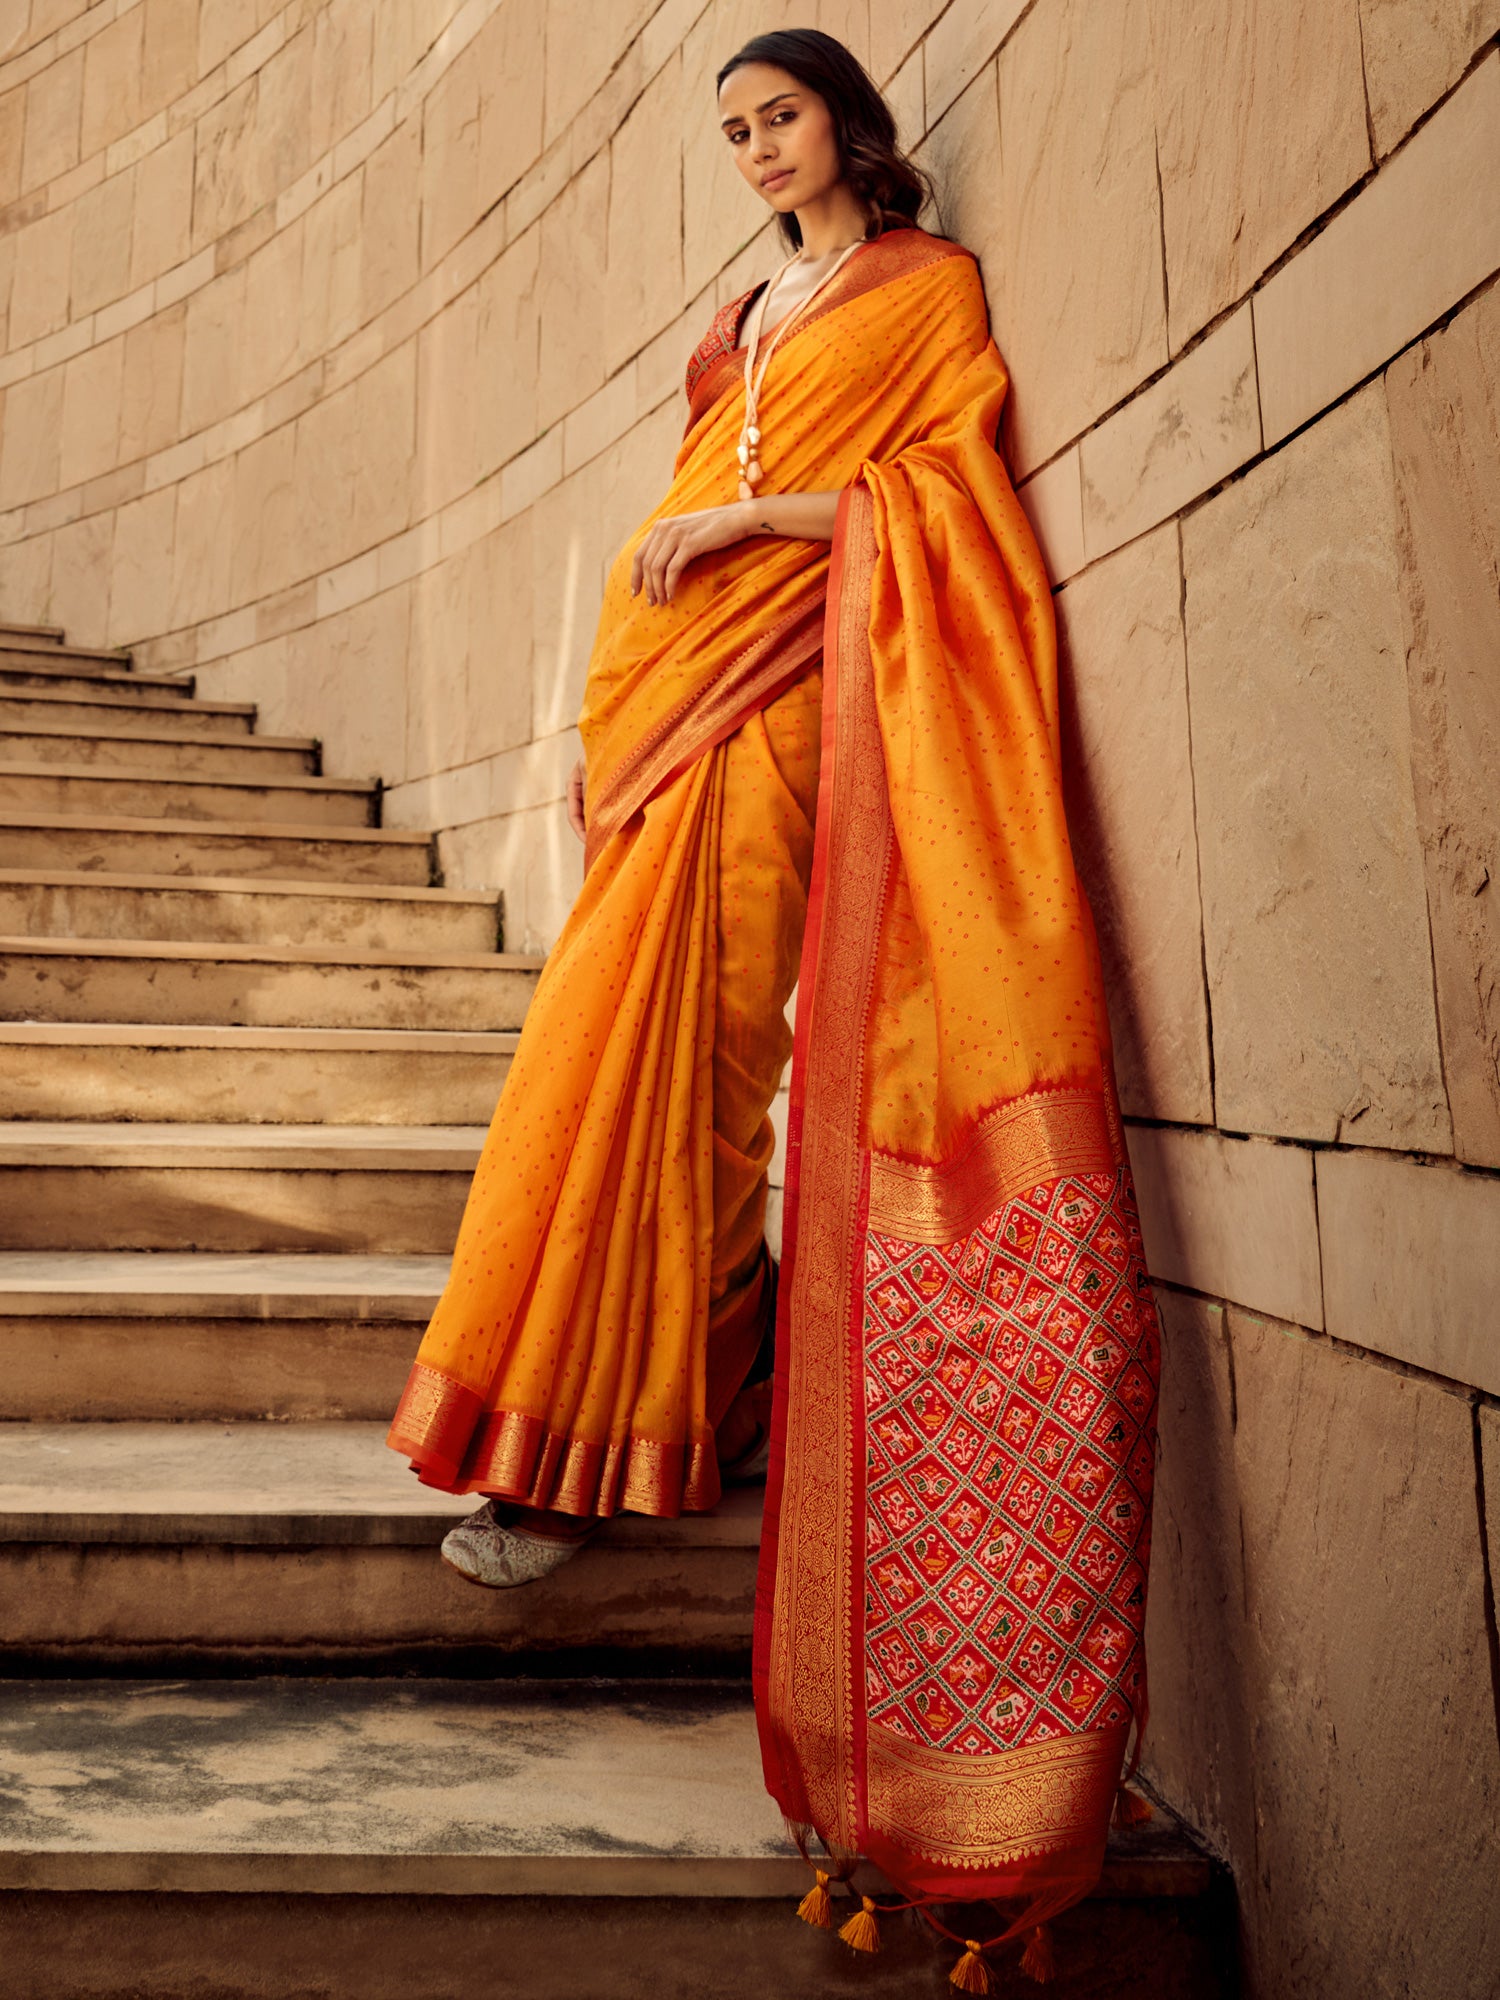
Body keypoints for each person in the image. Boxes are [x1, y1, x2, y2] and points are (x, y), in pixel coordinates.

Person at [387, 27, 1160, 1983]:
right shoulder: (741, 316)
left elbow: (942, 503)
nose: (755, 148)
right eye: (730, 129)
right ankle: (583, 1428)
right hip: (670, 729)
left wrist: (749, 530)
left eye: (779, 116)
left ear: (846, 122)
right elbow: (678, 486)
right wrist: (612, 705)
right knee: (596, 1069)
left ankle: (623, 1433)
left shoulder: (921, 295)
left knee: (706, 1077)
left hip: (791, 720)